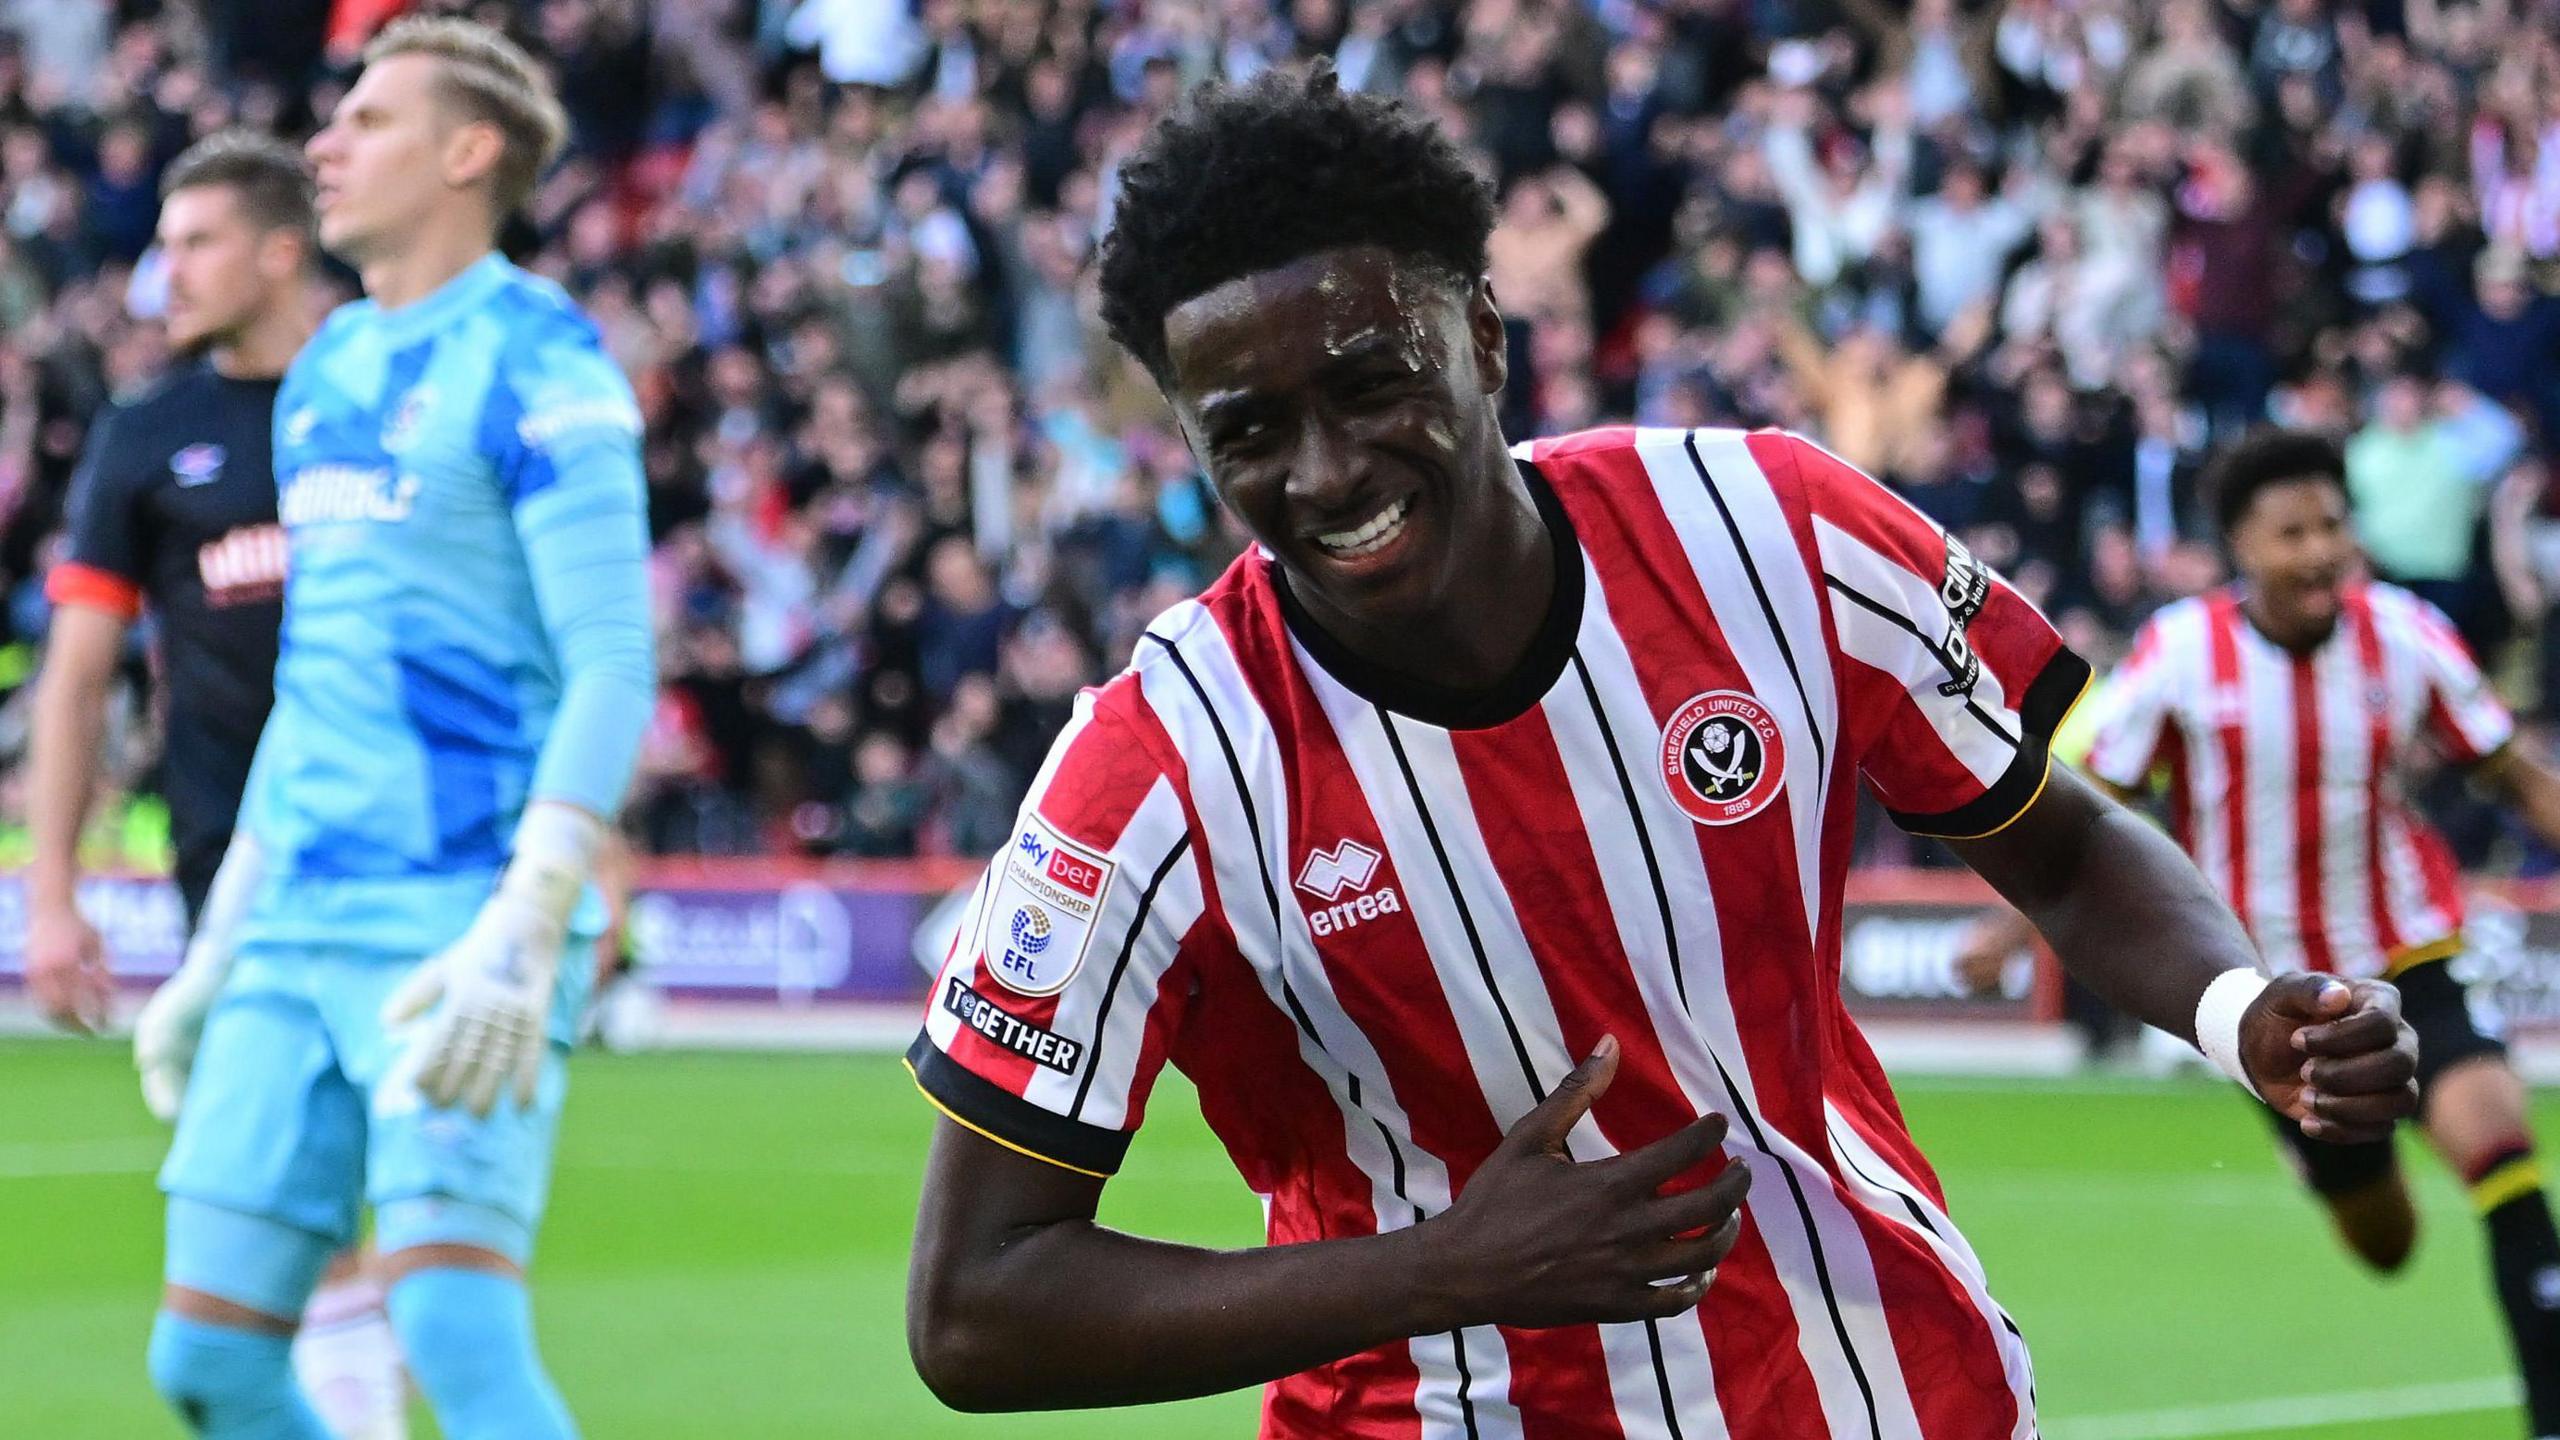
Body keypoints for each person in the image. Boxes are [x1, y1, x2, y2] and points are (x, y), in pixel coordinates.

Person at [902, 64, 2418, 1435]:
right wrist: (1445, 1270)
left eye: (1373, 384)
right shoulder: (1160, 764)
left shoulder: (1773, 532)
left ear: (1483, 337)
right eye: (1248, 432)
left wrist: (2238, 1010)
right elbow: (976, 1308)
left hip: (1894, 1397)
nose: (1324, 471)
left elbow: (2063, 845)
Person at [135, 17, 654, 1440]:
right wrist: (216, 946)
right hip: (293, 920)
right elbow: (313, 691)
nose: (326, 144)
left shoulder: (544, 359)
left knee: (451, 1326)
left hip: (457, 918)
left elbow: (613, 657)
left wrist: (529, 919)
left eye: (368, 120)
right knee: (210, 1364)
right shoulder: (328, 375)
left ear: (469, 151)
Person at [21, 130, 410, 1440]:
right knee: (313, 1211)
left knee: (420, 1214)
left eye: (193, 244)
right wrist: (54, 896)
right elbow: (75, 682)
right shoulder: (148, 438)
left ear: (281, 249)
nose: (159, 275)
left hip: (420, 858)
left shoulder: (399, 390)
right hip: (238, 877)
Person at [2074, 426, 2560, 1435]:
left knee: (2504, 1159)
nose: (2317, 551)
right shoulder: (2179, 652)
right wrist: (2008, 921)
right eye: (2289, 532)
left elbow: (2511, 775)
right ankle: (2329, 1163)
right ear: (2240, 550)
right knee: (2383, 1240)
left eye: (2331, 526)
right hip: (2270, 993)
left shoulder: (2407, 634)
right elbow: (2087, 810)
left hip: (2407, 953)